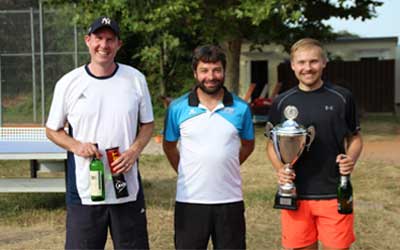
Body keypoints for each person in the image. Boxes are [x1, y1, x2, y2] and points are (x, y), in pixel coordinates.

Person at [46, 16, 154, 250]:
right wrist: (76, 146)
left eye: (110, 39)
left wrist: (134, 151)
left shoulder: (135, 79)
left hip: (125, 187)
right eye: (98, 38)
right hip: (85, 189)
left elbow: (148, 125)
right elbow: (52, 130)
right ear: (88, 40)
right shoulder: (69, 83)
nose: (103, 45)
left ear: (118, 44)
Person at [266, 38, 363, 250]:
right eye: (301, 62)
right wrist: (281, 168)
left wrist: (350, 159)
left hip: (334, 193)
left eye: (313, 62)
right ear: (292, 65)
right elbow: (271, 144)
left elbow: (355, 137)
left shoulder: (342, 97)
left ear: (324, 63)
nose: (307, 68)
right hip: (295, 195)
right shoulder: (281, 101)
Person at [163, 45, 255, 250]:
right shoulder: (177, 108)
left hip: (230, 200)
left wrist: (227, 164)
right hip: (190, 200)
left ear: (224, 71)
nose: (211, 76)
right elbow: (169, 147)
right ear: (195, 73)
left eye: (216, 70)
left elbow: (248, 145)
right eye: (204, 70)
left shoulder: (241, 108)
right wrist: (185, 170)